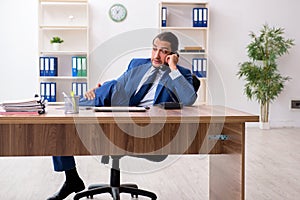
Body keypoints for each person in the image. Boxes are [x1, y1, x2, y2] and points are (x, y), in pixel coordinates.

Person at [47, 31, 198, 200]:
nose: (156, 55)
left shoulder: (180, 73)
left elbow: (189, 98)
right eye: (154, 49)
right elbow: (118, 86)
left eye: (163, 51)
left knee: (105, 89)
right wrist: (97, 92)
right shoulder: (137, 64)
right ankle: (71, 178)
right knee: (62, 127)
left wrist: (173, 68)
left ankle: (75, 104)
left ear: (173, 55)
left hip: (147, 128)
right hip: (122, 115)